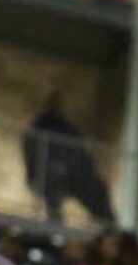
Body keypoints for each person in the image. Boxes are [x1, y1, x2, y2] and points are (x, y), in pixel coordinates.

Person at [22, 90, 114, 223]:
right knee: (52, 180)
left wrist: (88, 172)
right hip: (45, 175)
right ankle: (55, 220)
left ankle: (107, 224)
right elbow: (32, 153)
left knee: (98, 186)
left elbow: (83, 154)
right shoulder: (38, 127)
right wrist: (52, 164)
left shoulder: (68, 129)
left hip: (72, 176)